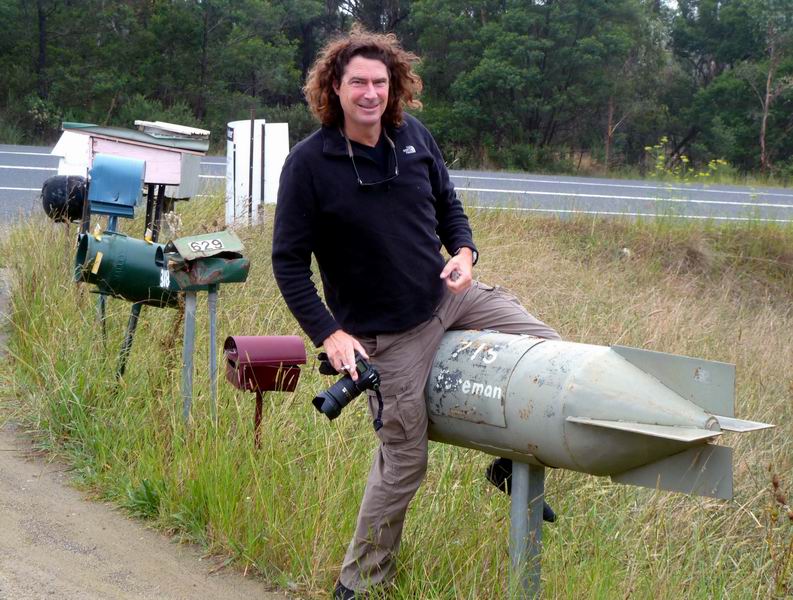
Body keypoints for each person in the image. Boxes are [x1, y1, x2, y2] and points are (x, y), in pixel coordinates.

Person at [272, 26, 561, 599]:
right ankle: (357, 585)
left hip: (446, 295)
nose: (371, 93)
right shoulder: (308, 165)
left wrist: (464, 253)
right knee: (404, 461)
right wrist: (329, 334)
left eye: (380, 82)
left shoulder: (413, 136)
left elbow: (450, 208)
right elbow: (287, 264)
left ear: (395, 86)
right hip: (390, 334)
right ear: (335, 86)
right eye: (358, 82)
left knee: (547, 351)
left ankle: (507, 465)